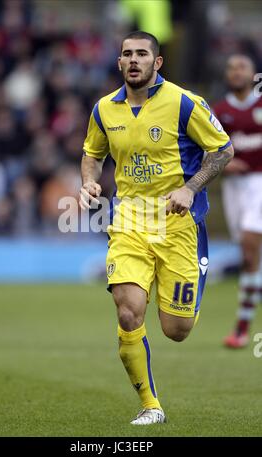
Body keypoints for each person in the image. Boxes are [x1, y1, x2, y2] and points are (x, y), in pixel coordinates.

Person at [79, 31, 233, 425]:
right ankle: (151, 405)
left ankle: (190, 287)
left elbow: (223, 149)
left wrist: (190, 187)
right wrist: (88, 181)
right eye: (127, 54)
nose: (134, 60)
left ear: (157, 62)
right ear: (118, 63)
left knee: (176, 329)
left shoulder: (184, 102)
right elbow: (92, 154)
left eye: (142, 54)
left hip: (179, 224)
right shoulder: (103, 110)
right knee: (128, 312)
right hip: (129, 221)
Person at [213, 55, 262, 349]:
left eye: (241, 67)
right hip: (233, 187)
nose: (236, 72)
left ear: (253, 73)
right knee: (247, 257)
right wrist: (224, 164)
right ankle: (242, 327)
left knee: (248, 244)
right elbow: (210, 150)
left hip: (260, 181)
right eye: (231, 68)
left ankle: (242, 329)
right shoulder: (219, 111)